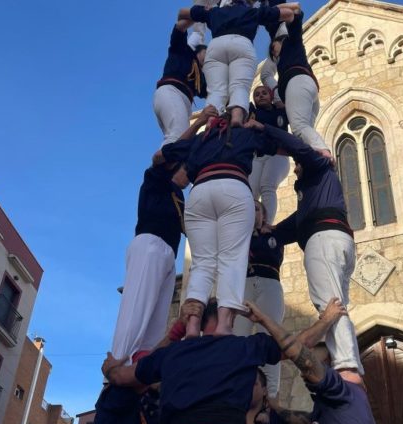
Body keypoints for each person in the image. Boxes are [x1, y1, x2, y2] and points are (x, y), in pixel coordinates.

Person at [102, 298, 347, 424]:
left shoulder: (174, 353)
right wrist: (327, 320)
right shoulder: (243, 348)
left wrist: (111, 367)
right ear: (224, 317)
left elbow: (121, 378)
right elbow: (299, 345)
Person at [244, 118, 364, 382]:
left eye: (296, 165)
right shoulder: (313, 193)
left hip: (323, 241)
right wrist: (273, 231)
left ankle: (347, 368)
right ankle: (348, 363)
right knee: (337, 305)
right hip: (334, 239)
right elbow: (298, 222)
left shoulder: (318, 166)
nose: (296, 170)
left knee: (329, 304)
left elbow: (298, 147)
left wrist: (265, 128)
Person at [154, 114, 290, 337]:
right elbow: (284, 148)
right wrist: (261, 128)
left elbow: (164, 162)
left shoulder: (202, 139)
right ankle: (225, 325)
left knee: (202, 263)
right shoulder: (246, 134)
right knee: (232, 258)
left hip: (199, 192)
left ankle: (192, 326)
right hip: (233, 187)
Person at [111, 107, 215, 363]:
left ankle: (140, 369)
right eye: (186, 171)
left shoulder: (179, 197)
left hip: (168, 253)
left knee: (156, 323)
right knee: (136, 310)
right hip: (150, 244)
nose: (188, 177)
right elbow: (167, 154)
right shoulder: (156, 178)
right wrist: (201, 123)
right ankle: (117, 364)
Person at [245, 301, 381, 424]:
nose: (303, 374)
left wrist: (264, 320)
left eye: (319, 362)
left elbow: (303, 359)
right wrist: (276, 408)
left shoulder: (342, 392)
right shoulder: (327, 409)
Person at [91, 302, 201, 424]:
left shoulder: (147, 406)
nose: (157, 373)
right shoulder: (113, 397)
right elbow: (144, 372)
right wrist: (178, 330)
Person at [178, 1, 297, 126]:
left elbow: (182, 13)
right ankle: (237, 116)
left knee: (216, 90)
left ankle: (210, 121)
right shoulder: (252, 12)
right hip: (242, 43)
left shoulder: (214, 11)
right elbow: (288, 14)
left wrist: (204, 11)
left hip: (216, 46)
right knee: (240, 85)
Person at [233, 200, 285, 396]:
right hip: (244, 285)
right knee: (239, 335)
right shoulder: (237, 237)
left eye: (256, 208)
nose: (252, 211)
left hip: (268, 282)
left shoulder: (273, 235)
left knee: (271, 337)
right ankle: (238, 388)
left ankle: (270, 394)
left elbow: (272, 255)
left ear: (263, 215)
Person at [267, 9, 328, 150]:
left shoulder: (291, 43)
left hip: (298, 83)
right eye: (272, 53)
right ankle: (313, 159)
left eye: (273, 48)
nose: (273, 52)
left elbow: (295, 25)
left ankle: (324, 153)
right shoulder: (284, 58)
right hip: (307, 89)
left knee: (299, 127)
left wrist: (292, 15)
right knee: (305, 133)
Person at [154, 19, 208, 148]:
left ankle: (172, 165)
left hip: (184, 102)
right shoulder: (182, 51)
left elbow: (212, 92)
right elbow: (180, 28)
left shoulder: (201, 77)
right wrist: (199, 14)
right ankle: (164, 166)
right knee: (178, 135)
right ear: (200, 51)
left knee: (182, 138)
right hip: (171, 91)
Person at [248, 86, 290, 222]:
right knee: (250, 193)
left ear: (271, 96)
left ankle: (267, 224)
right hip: (258, 157)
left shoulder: (281, 111)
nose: (260, 96)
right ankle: (250, 226)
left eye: (264, 93)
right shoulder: (252, 112)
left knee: (267, 186)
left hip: (277, 155)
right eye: (257, 94)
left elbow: (271, 80)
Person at [246, 369, 311, 424]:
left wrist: (277, 408)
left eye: (253, 383)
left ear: (264, 391)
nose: (246, 386)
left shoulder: (275, 420)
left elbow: (316, 423)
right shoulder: (230, 421)